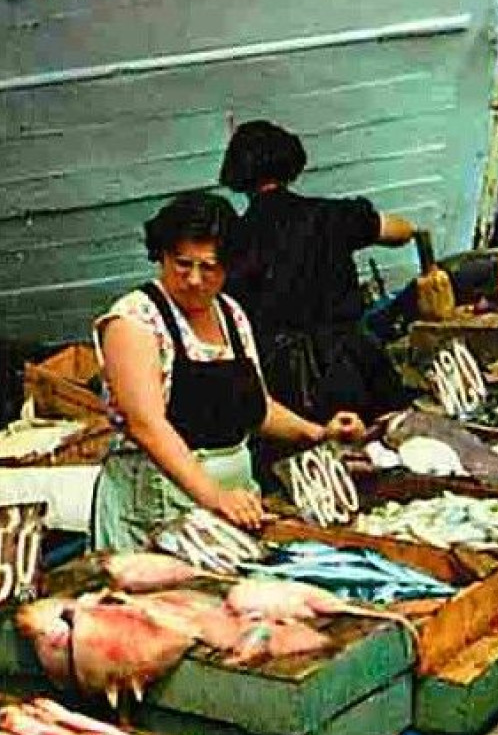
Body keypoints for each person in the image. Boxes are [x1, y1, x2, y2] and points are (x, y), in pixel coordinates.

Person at [91, 191, 366, 551]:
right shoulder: (134, 320)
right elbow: (147, 426)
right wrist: (215, 497)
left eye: (209, 268)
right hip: (158, 509)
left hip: (233, 504)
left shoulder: (230, 314)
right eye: (182, 264)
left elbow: (257, 406)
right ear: (161, 255)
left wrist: (318, 433)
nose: (193, 279)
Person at [218, 120, 420, 424]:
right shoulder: (330, 215)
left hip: (278, 378)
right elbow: (402, 231)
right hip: (351, 362)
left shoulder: (234, 238)